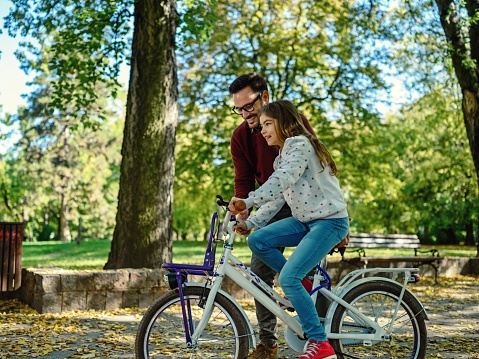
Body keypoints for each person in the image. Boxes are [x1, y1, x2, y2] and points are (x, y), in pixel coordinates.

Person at [230, 100, 349, 359]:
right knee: (259, 240)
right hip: (306, 220)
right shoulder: (284, 155)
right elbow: (276, 199)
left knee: (287, 279)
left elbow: (283, 180)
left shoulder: (300, 146)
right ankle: (303, 284)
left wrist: (248, 200)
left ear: (285, 123)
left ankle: (320, 343)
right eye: (261, 126)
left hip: (330, 221)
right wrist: (250, 222)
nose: (262, 130)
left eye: (268, 124)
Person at [228, 73, 316, 359]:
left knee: (311, 276)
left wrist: (342, 219)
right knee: (259, 273)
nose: (244, 114)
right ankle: (268, 344)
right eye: (238, 109)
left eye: (249, 106)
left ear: (264, 97)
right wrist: (244, 212)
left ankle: (319, 336)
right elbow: (243, 179)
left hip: (309, 205)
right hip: (273, 205)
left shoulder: (294, 122)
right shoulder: (240, 137)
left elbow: (321, 167)